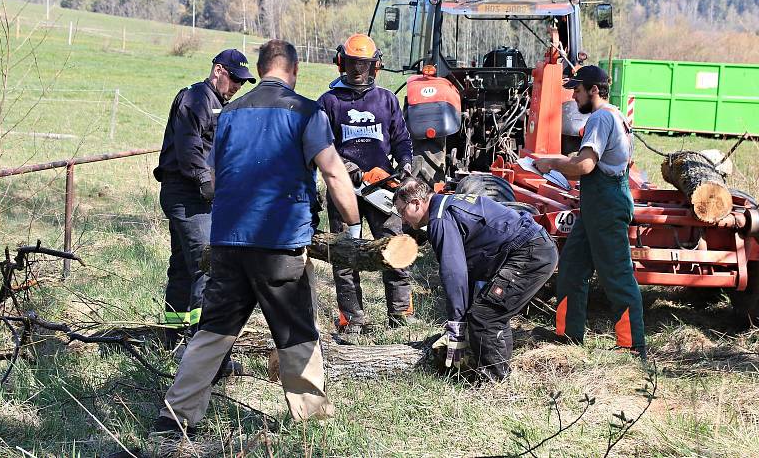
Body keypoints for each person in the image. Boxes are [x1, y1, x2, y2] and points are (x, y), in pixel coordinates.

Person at [154, 39, 361, 434]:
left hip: (228, 241)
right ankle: (311, 417)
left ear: (262, 68)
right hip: (280, 244)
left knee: (213, 331)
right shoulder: (305, 111)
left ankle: (175, 417)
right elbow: (334, 173)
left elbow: (214, 175)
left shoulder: (229, 112)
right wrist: (352, 227)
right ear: (293, 71)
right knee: (297, 332)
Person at [393, 178, 558, 380]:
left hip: (530, 253)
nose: (402, 220)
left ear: (417, 203)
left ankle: (494, 381)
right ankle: (498, 374)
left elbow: (455, 276)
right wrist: (458, 324)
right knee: (486, 311)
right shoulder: (446, 206)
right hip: (533, 248)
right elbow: (468, 272)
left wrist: (456, 330)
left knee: (486, 315)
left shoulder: (440, 219)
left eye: (402, 211)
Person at [534, 65, 646, 359]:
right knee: (571, 266)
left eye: (577, 90)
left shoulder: (599, 118)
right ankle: (568, 335)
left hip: (605, 206)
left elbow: (585, 166)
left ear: (594, 90)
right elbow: (590, 157)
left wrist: (554, 163)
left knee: (617, 274)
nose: (573, 95)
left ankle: (632, 344)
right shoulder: (616, 115)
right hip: (598, 205)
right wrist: (566, 158)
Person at [153, 49, 255, 346]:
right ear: (219, 71)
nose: (237, 86)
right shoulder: (196, 99)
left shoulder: (221, 105)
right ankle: (203, 344)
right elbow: (189, 148)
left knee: (185, 266)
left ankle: (173, 338)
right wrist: (204, 181)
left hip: (201, 195)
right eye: (235, 78)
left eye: (242, 82)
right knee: (205, 267)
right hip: (186, 194)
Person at [318, 34, 415, 332]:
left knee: (394, 247)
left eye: (364, 64)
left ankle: (400, 315)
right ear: (341, 63)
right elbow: (321, 145)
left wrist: (406, 165)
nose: (358, 70)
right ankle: (353, 319)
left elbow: (401, 139)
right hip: (344, 187)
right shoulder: (329, 101)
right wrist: (349, 169)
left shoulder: (386, 99)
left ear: (375, 66)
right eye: (352, 64)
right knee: (345, 254)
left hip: (382, 188)